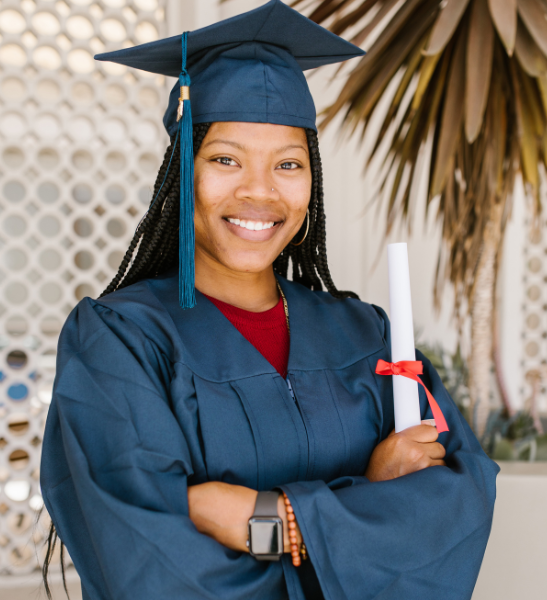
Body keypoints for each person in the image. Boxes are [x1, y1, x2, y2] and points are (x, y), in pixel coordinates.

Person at [40, 2, 499, 599]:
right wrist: (365, 504)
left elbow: (459, 503)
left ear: (313, 184)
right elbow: (148, 566)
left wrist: (279, 520)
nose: (258, 190)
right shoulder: (119, 341)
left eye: (288, 163)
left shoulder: (368, 336)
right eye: (226, 159)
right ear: (183, 174)